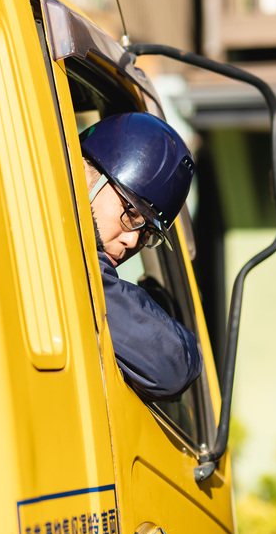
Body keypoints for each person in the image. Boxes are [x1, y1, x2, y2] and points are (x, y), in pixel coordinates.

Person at [80, 112, 202, 402]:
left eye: (148, 233)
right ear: (84, 173)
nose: (133, 239)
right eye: (131, 213)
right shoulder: (64, 259)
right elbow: (171, 366)